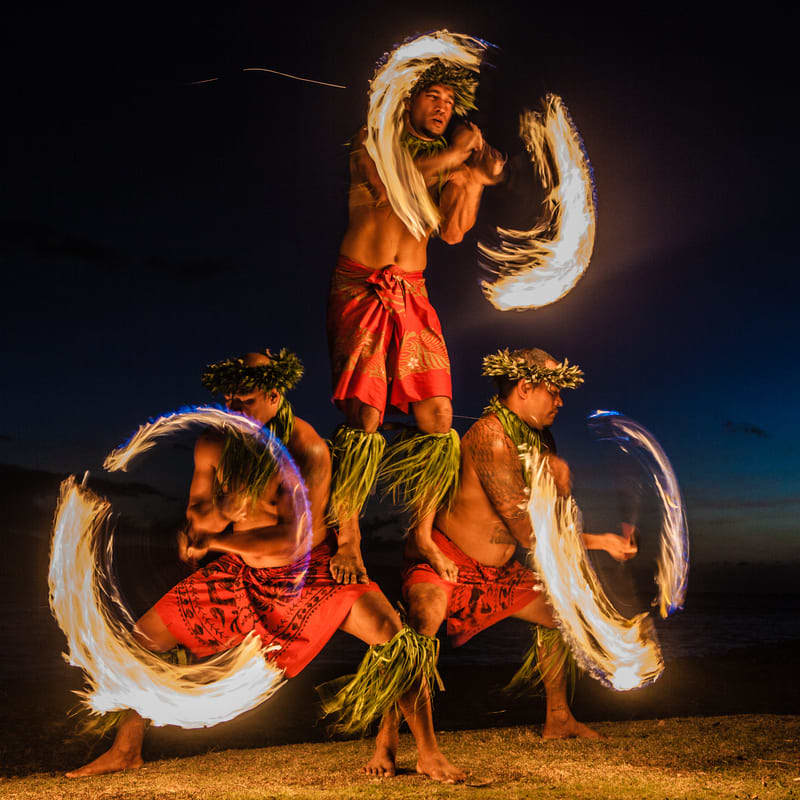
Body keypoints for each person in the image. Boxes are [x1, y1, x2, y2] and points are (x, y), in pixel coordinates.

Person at [66, 350, 458, 781]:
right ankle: (126, 750)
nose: (234, 410)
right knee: (142, 639)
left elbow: (291, 543)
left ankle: (426, 752)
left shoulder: (306, 448)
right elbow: (198, 513)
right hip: (242, 572)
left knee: (396, 640)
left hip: (312, 574)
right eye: (229, 400)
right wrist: (220, 512)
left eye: (246, 401)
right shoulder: (215, 443)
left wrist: (215, 538)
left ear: (275, 396)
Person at [364, 347, 637, 778]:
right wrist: (599, 541)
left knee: (557, 615)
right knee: (418, 634)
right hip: (447, 563)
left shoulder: (538, 438)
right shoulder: (493, 438)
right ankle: (399, 743)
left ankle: (558, 719)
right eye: (554, 390)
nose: (561, 401)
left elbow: (545, 514)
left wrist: (560, 488)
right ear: (525, 388)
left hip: (497, 574)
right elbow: (528, 532)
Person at [327, 49, 506, 587]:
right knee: (365, 417)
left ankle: (420, 533)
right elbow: (392, 189)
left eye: (451, 101)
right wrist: (457, 155)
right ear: (408, 98)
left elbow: (452, 232)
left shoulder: (445, 160)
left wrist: (474, 182)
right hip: (362, 287)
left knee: (439, 418)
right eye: (434, 96)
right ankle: (350, 537)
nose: (443, 107)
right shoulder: (372, 142)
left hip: (415, 294)